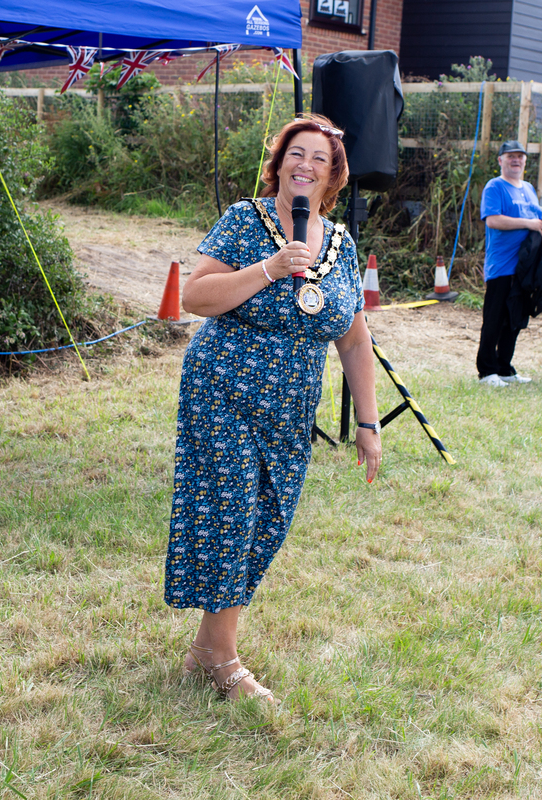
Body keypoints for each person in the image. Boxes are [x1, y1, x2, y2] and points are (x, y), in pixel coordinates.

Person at [165, 115, 382, 702]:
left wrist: (367, 423)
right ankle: (224, 660)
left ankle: (207, 649)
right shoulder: (245, 220)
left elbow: (354, 339)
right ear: (280, 163)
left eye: (318, 157)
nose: (304, 164)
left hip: (290, 410)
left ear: (333, 174)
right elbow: (195, 295)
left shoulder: (341, 244)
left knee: (266, 521)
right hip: (224, 393)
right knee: (232, 509)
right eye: (296, 153)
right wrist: (268, 269)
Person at [476, 140, 542, 387]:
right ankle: (487, 371)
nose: (516, 160)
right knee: (494, 319)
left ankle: (505, 368)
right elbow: (493, 221)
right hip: (501, 265)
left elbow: (534, 218)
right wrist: (529, 223)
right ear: (500, 160)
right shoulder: (494, 187)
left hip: (524, 267)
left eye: (520, 156)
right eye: (510, 156)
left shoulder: (529, 188)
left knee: (514, 321)